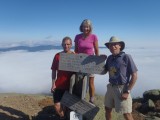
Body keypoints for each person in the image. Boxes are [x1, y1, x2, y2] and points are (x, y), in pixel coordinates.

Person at [104, 36, 138, 120]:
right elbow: (104, 70)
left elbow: (135, 75)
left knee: (126, 114)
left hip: (122, 88)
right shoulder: (109, 58)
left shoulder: (126, 57)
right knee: (107, 109)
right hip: (111, 87)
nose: (113, 47)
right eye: (111, 45)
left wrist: (128, 91)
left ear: (120, 46)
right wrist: (100, 59)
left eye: (115, 44)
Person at [74, 19, 99, 103]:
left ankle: (91, 98)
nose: (86, 28)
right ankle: (81, 97)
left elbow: (96, 50)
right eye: (84, 27)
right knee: (80, 81)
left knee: (91, 81)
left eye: (88, 27)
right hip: (80, 62)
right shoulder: (78, 37)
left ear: (90, 28)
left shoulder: (94, 36)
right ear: (82, 27)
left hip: (90, 62)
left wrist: (97, 62)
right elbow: (76, 50)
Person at [51, 36, 74, 120]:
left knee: (66, 105)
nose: (66, 46)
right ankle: (63, 117)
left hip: (70, 86)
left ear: (71, 45)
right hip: (59, 85)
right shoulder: (57, 56)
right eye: (64, 44)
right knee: (57, 104)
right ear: (61, 45)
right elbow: (53, 70)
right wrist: (53, 83)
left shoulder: (74, 56)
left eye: (68, 44)